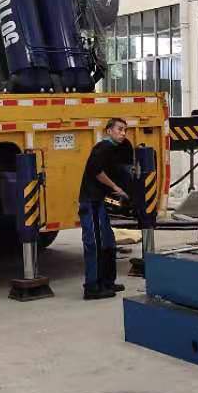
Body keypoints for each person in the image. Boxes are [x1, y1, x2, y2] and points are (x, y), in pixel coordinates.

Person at [79, 117, 130, 300]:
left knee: (108, 242)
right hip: (91, 202)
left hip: (100, 202)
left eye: (125, 130)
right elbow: (97, 172)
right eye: (119, 129)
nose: (123, 133)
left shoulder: (114, 150)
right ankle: (92, 287)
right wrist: (116, 188)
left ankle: (107, 282)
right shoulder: (102, 148)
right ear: (109, 131)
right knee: (94, 243)